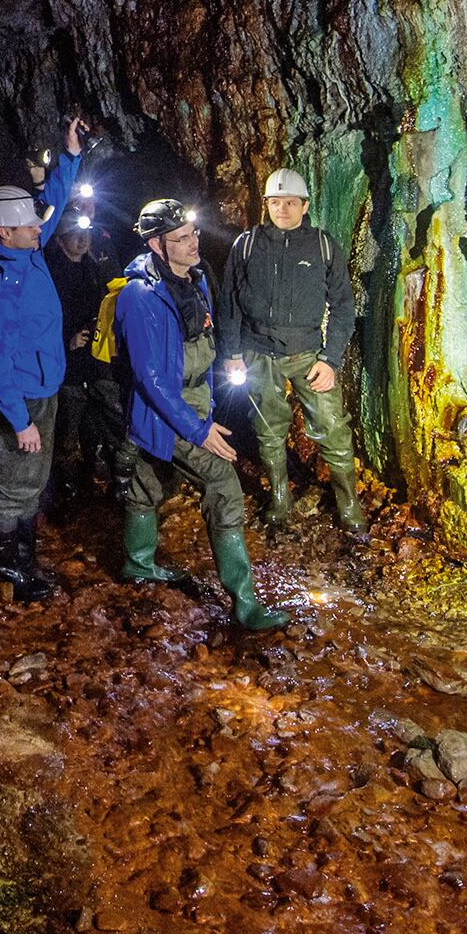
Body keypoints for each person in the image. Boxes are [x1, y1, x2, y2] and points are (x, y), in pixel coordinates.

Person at [113, 197, 287, 631]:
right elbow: (152, 380)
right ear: (156, 245)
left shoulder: (196, 278)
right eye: (180, 238)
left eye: (192, 234)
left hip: (191, 401)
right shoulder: (139, 297)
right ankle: (245, 603)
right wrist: (199, 428)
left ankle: (139, 564)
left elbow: (202, 345)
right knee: (224, 484)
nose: (193, 243)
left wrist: (210, 397)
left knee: (151, 480)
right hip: (164, 409)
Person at [0, 117, 90, 601]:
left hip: (45, 386)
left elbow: (53, 202)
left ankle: (23, 563)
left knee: (33, 480)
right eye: (28, 225)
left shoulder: (27, 250)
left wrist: (71, 155)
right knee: (14, 482)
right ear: (2, 232)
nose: (40, 227)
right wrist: (20, 422)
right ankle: (7, 573)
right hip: (22, 395)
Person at [219, 167, 367, 534]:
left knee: (333, 428)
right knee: (268, 429)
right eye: (274, 202)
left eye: (289, 202)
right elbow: (229, 303)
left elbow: (344, 307)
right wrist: (233, 352)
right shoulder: (247, 245)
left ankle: (349, 504)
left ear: (304, 206)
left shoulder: (322, 245)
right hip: (258, 352)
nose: (281, 209)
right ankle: (280, 498)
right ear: (265, 205)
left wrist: (331, 359)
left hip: (308, 354)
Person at [47, 207, 120, 502]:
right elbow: (43, 321)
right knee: (67, 429)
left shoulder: (93, 269)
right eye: (74, 235)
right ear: (61, 240)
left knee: (96, 426)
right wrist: (67, 341)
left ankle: (93, 478)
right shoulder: (52, 274)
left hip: (94, 362)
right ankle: (66, 489)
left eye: (85, 234)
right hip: (68, 368)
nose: (82, 240)